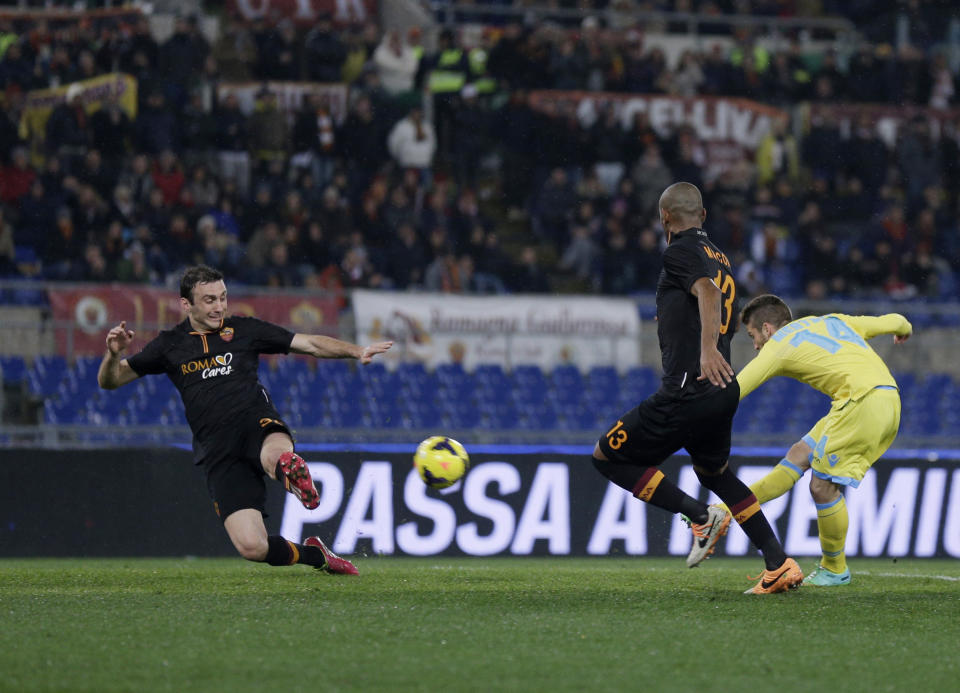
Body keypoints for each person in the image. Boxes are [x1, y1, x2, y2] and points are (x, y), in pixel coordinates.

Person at [97, 265, 393, 575]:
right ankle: (316, 555)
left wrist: (357, 351)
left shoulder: (244, 330)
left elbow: (309, 344)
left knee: (275, 454)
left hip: (255, 422)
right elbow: (111, 381)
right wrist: (113, 354)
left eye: (223, 298)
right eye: (209, 300)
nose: (219, 306)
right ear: (186, 304)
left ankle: (289, 470)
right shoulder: (169, 345)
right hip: (217, 449)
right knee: (253, 547)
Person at [591, 182, 803, 595]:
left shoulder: (678, 250)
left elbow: (705, 293)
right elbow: (703, 297)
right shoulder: (721, 258)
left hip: (690, 387)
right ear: (703, 215)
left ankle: (700, 517)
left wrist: (706, 350)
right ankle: (779, 563)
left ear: (664, 218)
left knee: (608, 457)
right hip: (723, 390)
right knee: (715, 472)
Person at [729, 294, 912, 586]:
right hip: (887, 397)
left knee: (822, 487)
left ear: (767, 328)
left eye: (752, 335)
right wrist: (904, 330)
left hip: (860, 402)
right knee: (800, 453)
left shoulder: (778, 345)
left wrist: (692, 414)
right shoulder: (832, 321)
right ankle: (727, 510)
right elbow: (896, 321)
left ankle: (835, 569)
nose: (755, 345)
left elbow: (734, 391)